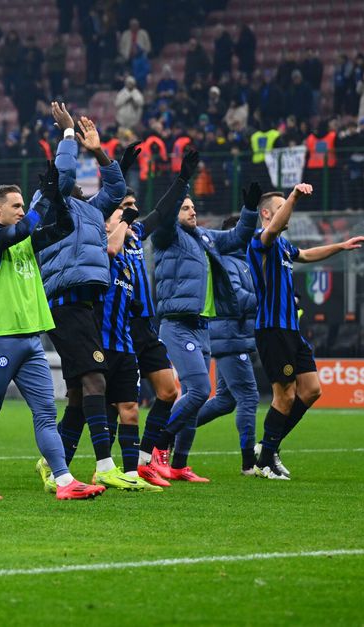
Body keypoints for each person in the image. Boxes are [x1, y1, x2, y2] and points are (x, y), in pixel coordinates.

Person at [0, 171, 104, 501]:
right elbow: (25, 228)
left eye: (23, 205)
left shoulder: (24, 240)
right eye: (16, 206)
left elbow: (65, 228)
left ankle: (64, 480)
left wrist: (58, 199)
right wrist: (43, 197)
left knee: (46, 413)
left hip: (30, 340)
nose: (21, 210)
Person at [144, 172, 258, 484]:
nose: (192, 211)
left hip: (202, 326)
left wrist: (249, 211)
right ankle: (158, 444)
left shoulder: (205, 237)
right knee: (199, 390)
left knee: (193, 401)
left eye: (193, 207)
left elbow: (237, 238)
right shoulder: (167, 236)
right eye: (185, 208)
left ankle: (179, 465)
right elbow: (165, 218)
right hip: (177, 325)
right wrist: (181, 184)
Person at [34, 105, 127, 489]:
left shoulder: (89, 210)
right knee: (95, 380)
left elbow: (117, 191)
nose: (78, 182)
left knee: (77, 394)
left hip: (85, 305)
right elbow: (66, 174)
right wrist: (69, 134)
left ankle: (53, 464)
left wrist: (99, 151)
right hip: (65, 302)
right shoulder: (50, 205)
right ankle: (105, 465)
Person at [247, 186, 364, 479]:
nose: (287, 213)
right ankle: (266, 460)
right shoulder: (260, 240)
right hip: (273, 329)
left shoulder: (284, 246)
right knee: (285, 395)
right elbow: (272, 230)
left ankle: (268, 447)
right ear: (266, 213)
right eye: (281, 208)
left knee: (312, 389)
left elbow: (307, 254)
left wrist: (340, 246)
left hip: (291, 330)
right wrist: (294, 196)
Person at [114, 179, 184, 488]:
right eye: (125, 206)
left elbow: (161, 211)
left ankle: (144, 462)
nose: (132, 210)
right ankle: (102, 464)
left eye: (133, 205)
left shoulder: (137, 234)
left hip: (146, 327)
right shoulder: (106, 240)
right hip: (120, 327)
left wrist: (182, 180)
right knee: (114, 405)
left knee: (168, 391)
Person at [93, 188, 160, 492]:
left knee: (130, 408)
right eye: (120, 213)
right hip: (102, 346)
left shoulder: (128, 264)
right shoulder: (101, 250)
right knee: (93, 411)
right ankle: (92, 468)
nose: (127, 217)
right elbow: (111, 247)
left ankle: (132, 474)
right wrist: (121, 223)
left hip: (126, 345)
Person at [196, 214, 261, 475]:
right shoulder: (229, 262)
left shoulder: (241, 262)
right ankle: (248, 462)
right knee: (249, 396)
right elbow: (236, 297)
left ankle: (169, 432)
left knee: (225, 400)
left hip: (231, 337)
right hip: (230, 338)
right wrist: (264, 299)